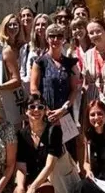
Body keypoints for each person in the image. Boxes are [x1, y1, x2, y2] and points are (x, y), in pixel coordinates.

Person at [29, 23, 81, 157]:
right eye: (52, 36)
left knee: (68, 152)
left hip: (65, 112)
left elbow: (74, 89)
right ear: (47, 38)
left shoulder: (70, 63)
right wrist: (46, 110)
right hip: (46, 113)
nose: (55, 39)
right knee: (47, 150)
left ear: (64, 39)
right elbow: (34, 88)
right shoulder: (39, 62)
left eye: (59, 36)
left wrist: (63, 109)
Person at [13, 95, 64, 193]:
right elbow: (20, 165)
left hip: (52, 180)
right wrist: (20, 186)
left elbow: (50, 166)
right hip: (32, 179)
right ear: (25, 110)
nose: (36, 110)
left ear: (45, 110)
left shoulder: (54, 131)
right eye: (32, 107)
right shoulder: (21, 134)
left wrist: (32, 188)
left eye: (40, 107)